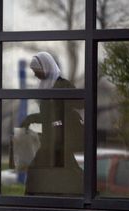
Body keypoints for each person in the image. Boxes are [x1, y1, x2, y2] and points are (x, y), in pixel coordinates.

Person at [20, 51, 84, 195]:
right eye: (33, 71)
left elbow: (80, 103)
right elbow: (46, 115)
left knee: (43, 169)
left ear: (46, 67)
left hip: (61, 138)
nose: (35, 74)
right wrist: (30, 119)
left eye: (37, 71)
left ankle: (33, 199)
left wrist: (63, 111)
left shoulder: (62, 84)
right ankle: (72, 194)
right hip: (51, 138)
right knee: (62, 169)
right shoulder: (44, 86)